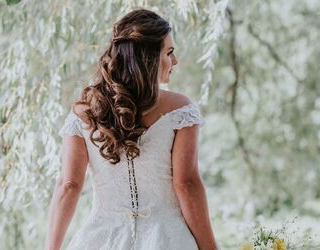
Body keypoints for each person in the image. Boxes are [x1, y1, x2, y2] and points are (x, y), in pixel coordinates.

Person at [45, 8, 220, 250]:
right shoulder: (180, 109)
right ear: (147, 58)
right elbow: (186, 184)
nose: (175, 61)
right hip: (167, 240)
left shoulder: (84, 111)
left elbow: (68, 185)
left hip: (101, 240)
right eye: (169, 52)